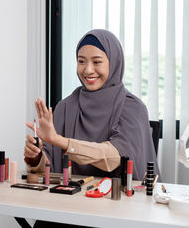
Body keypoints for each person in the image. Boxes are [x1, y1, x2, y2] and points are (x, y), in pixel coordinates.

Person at [24, 29, 160, 181]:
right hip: (72, 199)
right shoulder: (66, 107)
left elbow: (116, 157)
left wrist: (58, 140)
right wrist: (36, 157)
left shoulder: (132, 107)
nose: (88, 70)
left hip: (119, 199)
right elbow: (50, 169)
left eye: (97, 62)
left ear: (114, 63)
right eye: (81, 61)